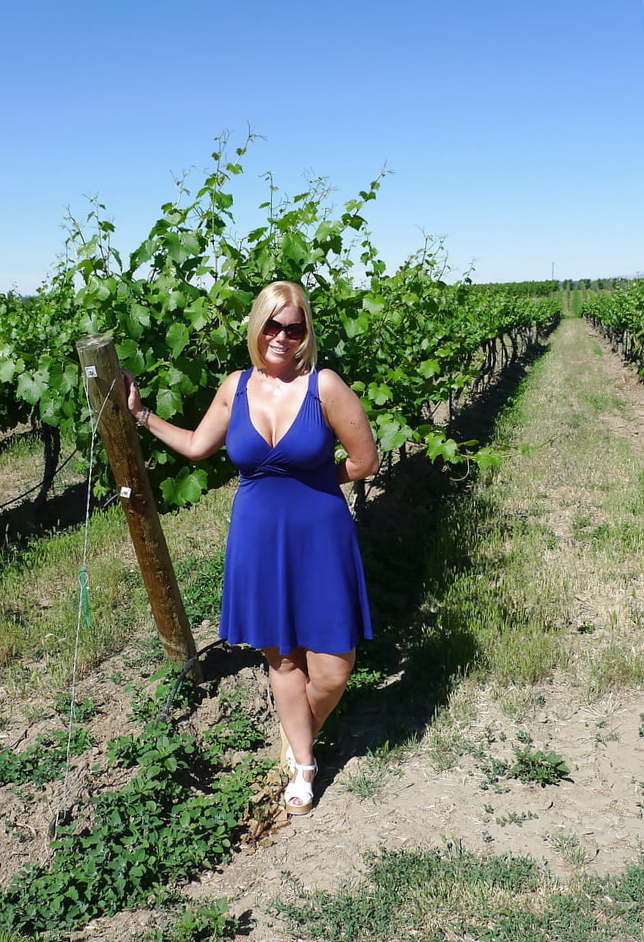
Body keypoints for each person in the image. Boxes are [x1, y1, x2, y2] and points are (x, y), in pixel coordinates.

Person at [124, 280, 378, 815]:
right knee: (281, 656)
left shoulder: (325, 386)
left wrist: (313, 483)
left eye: (294, 328)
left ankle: (297, 729)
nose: (282, 337)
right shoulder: (235, 387)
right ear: (257, 327)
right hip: (258, 536)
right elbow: (198, 445)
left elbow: (363, 461)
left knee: (333, 666)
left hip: (320, 535)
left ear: (306, 333)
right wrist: (142, 416)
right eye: (272, 325)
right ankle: (303, 764)